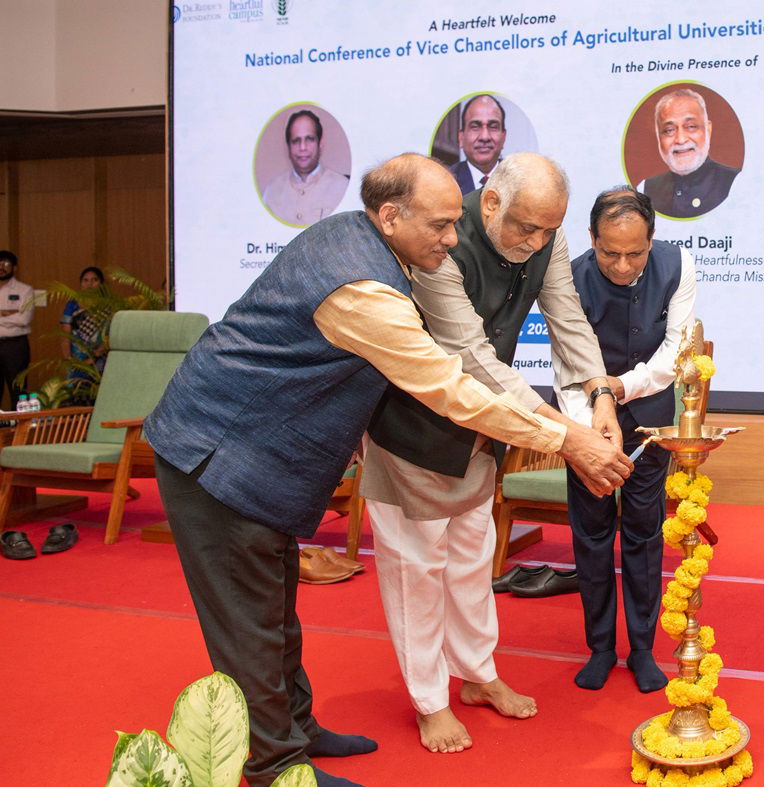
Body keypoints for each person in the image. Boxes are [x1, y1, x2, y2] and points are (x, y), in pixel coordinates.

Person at [144, 154, 629, 787]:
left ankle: (299, 727)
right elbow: (450, 387)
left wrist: (589, 401)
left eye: (456, 224)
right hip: (217, 457)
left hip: (258, 459)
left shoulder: (367, 238)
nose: (453, 240)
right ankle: (274, 767)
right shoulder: (364, 290)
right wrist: (566, 438)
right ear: (391, 215)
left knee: (276, 612)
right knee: (249, 630)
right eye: (440, 226)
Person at [359, 152, 630, 755]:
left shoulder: (546, 236)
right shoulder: (440, 248)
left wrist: (600, 393)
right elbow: (472, 358)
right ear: (490, 204)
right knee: (417, 573)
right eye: (525, 227)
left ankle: (478, 676)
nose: (536, 241)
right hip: (415, 430)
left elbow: (567, 318)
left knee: (471, 563)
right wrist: (570, 435)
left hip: (484, 434)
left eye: (547, 230)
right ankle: (430, 700)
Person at [552, 187, 695, 693]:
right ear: (592, 240)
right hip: (583, 420)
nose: (622, 264)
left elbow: (675, 352)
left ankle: (640, 648)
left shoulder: (678, 266)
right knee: (591, 536)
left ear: (652, 240)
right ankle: (599, 648)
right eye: (609, 252)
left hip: (649, 418)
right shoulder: (567, 277)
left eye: (635, 253)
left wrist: (620, 387)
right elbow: (566, 362)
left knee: (643, 531)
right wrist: (586, 428)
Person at [639, 88, 740, 219]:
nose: (680, 139)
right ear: (659, 137)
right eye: (669, 130)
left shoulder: (736, 183)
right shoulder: (644, 190)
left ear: (708, 130)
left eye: (691, 126)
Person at [261, 109, 350, 226]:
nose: (303, 147)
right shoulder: (272, 192)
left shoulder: (342, 186)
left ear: (320, 144)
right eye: (296, 140)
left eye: (309, 139)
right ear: (288, 146)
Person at [60, 266, 110, 398]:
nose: (90, 284)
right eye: (85, 280)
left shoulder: (109, 306)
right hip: (77, 361)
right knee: (74, 396)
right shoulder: (72, 305)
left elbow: (110, 336)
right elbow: (65, 335)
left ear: (101, 284)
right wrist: (69, 359)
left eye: (94, 280)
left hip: (101, 360)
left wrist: (95, 355)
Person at [448, 94, 507, 194]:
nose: (484, 137)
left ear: (504, 137)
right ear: (461, 137)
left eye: (493, 127)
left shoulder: (520, 181)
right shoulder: (447, 181)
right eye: (475, 127)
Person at [0, 250, 33, 410]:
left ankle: (20, 431)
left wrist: (3, 317)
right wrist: (8, 314)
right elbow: (17, 318)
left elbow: (24, 319)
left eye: (6, 264)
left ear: (14, 267)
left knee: (18, 390)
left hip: (15, 346)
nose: (1, 267)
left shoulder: (24, 290)